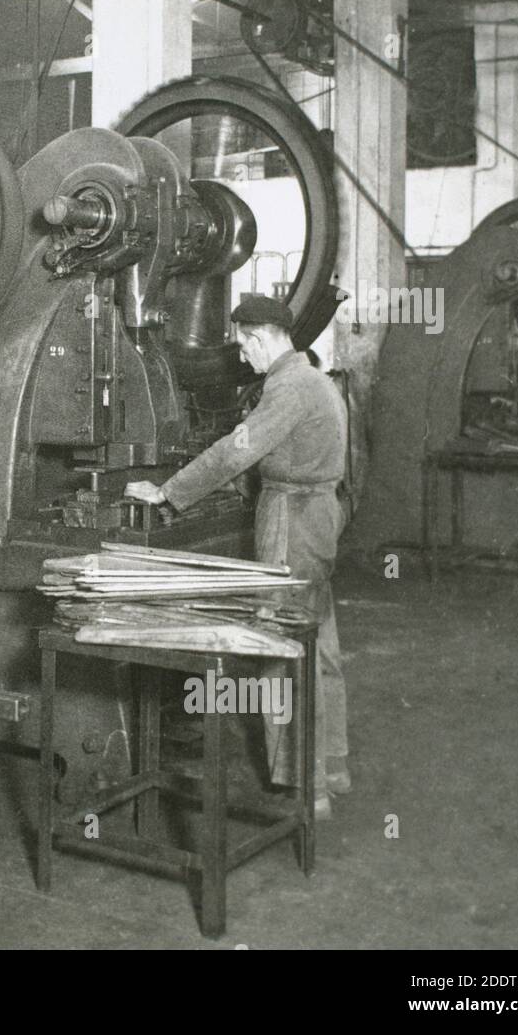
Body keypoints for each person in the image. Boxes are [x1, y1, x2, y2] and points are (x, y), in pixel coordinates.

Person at [125, 295, 350, 817]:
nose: (242, 358)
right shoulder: (317, 380)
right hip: (320, 515)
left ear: (260, 336)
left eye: (243, 345)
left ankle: (305, 785)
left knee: (279, 649)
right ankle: (333, 765)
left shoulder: (289, 387)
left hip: (292, 520)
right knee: (322, 643)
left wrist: (169, 491)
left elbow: (235, 449)